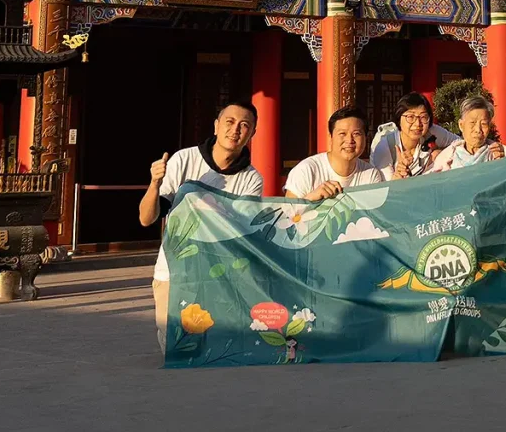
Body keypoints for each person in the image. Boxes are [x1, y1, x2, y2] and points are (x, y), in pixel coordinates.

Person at [139, 101, 263, 353]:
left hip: (219, 274)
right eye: (229, 122)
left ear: (253, 133)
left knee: (216, 348)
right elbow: (147, 218)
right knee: (175, 347)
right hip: (174, 271)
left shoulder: (251, 178)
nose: (235, 130)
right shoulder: (184, 159)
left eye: (244, 125)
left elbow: (241, 232)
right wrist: (154, 184)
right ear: (216, 126)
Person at [285, 106, 384, 200]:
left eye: (356, 134)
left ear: (365, 138)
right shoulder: (307, 170)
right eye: (342, 134)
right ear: (331, 137)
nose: (349, 140)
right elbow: (288, 211)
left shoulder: (370, 175)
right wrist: (311, 199)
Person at [370, 92, 457, 180]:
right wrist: (399, 174)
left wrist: (440, 152)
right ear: (399, 118)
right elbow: (386, 185)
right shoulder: (384, 146)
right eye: (410, 117)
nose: (417, 123)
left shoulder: (431, 132)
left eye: (423, 117)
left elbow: (460, 143)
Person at [431, 96, 506, 172]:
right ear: (461, 125)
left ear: (489, 127)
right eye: (472, 123)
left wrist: (502, 164)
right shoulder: (446, 157)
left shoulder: (502, 153)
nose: (478, 130)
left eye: (484, 124)